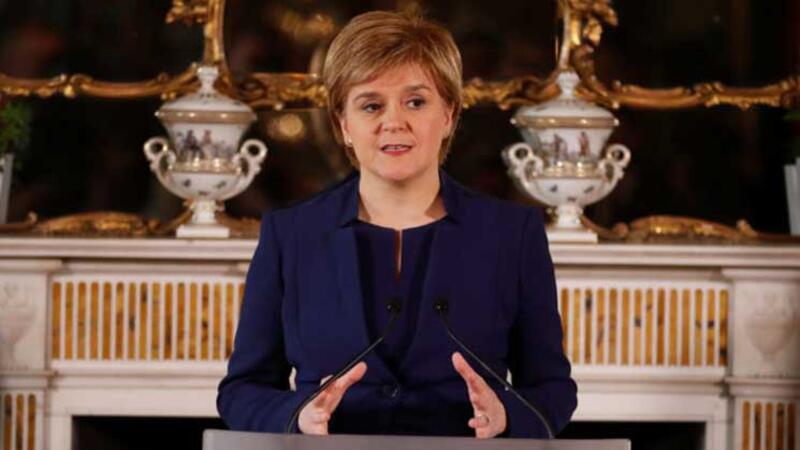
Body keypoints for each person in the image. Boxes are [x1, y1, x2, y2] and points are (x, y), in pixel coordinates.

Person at [217, 10, 577, 439]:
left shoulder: (512, 235)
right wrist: (299, 415)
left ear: (449, 114)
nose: (394, 122)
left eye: (416, 102)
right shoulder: (291, 235)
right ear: (343, 124)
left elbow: (553, 390)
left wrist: (506, 416)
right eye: (371, 105)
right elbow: (241, 391)